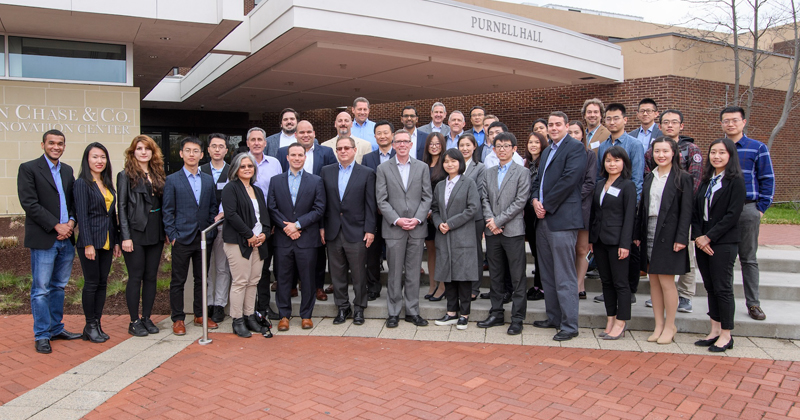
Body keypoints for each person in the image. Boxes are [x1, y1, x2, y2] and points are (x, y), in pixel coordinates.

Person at [18, 130, 81, 354]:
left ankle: (56, 328)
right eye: (51, 143)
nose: (56, 147)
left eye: (60, 143)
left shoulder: (67, 170)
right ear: (43, 144)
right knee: (41, 289)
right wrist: (57, 225)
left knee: (59, 287)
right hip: (45, 237)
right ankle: (42, 334)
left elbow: (74, 200)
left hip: (66, 239)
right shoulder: (29, 168)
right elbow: (30, 203)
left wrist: (71, 222)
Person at [531, 111, 588, 341]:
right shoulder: (546, 151)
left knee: (564, 275)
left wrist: (546, 204)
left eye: (557, 124)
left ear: (566, 126)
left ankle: (569, 325)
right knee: (547, 273)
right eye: (550, 125)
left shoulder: (575, 148)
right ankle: (554, 317)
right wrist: (535, 200)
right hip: (542, 219)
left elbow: (570, 180)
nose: (553, 128)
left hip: (562, 219)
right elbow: (537, 181)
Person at [634, 137, 693, 344]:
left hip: (670, 233)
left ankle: (670, 325)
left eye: (665, 151)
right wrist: (637, 235)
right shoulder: (650, 177)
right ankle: (658, 325)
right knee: (654, 281)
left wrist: (681, 237)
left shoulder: (682, 177)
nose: (661, 155)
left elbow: (686, 211)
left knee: (667, 281)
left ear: (674, 153)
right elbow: (642, 208)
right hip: (650, 230)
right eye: (657, 151)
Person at [643, 109, 703, 313]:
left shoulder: (691, 149)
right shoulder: (652, 151)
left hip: (678, 214)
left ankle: (685, 295)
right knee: (656, 265)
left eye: (674, 122)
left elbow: (694, 183)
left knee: (686, 257)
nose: (670, 125)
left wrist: (677, 204)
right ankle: (659, 298)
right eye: (665, 122)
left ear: (681, 125)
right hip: (654, 217)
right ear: (659, 125)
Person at [720, 106, 774, 321]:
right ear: (722, 124)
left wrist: (760, 209)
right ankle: (725, 303)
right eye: (726, 121)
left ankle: (753, 304)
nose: (730, 124)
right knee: (725, 259)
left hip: (747, 208)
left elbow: (767, 179)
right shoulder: (718, 147)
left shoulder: (756, 147)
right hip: (722, 211)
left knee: (748, 258)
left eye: (734, 120)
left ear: (743, 122)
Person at [692, 138, 746, 352]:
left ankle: (726, 334)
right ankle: (714, 330)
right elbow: (696, 212)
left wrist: (709, 237)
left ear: (730, 156)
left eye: (722, 153)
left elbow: (733, 215)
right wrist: (698, 236)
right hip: (702, 241)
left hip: (723, 242)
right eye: (713, 152)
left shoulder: (736, 181)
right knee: (710, 287)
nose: (716, 156)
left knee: (723, 288)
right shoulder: (707, 180)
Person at [375, 129, 432, 328]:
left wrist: (417, 219)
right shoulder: (383, 168)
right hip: (394, 229)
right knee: (394, 272)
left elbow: (427, 197)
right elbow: (381, 200)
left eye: (405, 141)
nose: (401, 145)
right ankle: (393, 312)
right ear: (393, 144)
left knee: (414, 271)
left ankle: (412, 311)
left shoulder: (422, 167)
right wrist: (398, 220)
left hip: (416, 228)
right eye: (397, 141)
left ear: (410, 144)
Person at [163, 137, 219, 335]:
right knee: (177, 280)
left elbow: (213, 206)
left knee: (201, 279)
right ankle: (178, 318)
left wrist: (209, 231)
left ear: (202, 155)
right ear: (181, 153)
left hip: (203, 237)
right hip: (182, 238)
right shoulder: (172, 180)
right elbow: (167, 210)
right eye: (188, 150)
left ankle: (200, 314)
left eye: (196, 151)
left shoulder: (207, 179)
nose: (192, 154)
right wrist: (173, 235)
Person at [268, 143, 326, 331]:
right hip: (283, 239)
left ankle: (306, 315)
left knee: (308, 279)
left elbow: (319, 208)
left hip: (306, 238)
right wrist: (287, 228)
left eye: (300, 155)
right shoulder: (275, 180)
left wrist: (298, 225)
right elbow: (272, 207)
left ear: (305, 157)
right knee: (283, 278)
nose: (297, 158)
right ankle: (284, 315)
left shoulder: (316, 180)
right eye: (293, 155)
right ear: (287, 157)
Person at [477, 132, 531, 335]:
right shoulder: (488, 172)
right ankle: (496, 313)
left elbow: (520, 201)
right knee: (496, 275)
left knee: (517, 277)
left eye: (506, 146)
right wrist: (492, 222)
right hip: (492, 233)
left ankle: (517, 318)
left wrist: (498, 221)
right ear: (493, 149)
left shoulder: (522, 172)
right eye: (498, 146)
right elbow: (484, 199)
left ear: (514, 149)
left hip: (513, 231)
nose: (502, 149)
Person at [277, 121, 337, 301]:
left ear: (314, 133)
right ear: (295, 134)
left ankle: (317, 286)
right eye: (301, 132)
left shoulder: (326, 152)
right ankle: (293, 285)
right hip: (290, 211)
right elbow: (280, 183)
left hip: (316, 209)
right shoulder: (282, 153)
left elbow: (331, 181)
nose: (305, 135)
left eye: (309, 132)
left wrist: (322, 222)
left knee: (317, 252)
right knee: (291, 250)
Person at [320, 137, 376, 325]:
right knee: (337, 273)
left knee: (359, 273)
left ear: (354, 150)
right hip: (333, 231)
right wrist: (321, 226)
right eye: (339, 148)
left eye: (347, 148)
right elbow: (322, 203)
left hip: (357, 231)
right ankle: (342, 308)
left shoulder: (367, 173)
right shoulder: (326, 172)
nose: (343, 151)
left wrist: (370, 229)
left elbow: (370, 205)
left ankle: (359, 308)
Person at [594, 103, 644, 305]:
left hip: (627, 204)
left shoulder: (634, 144)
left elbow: (637, 179)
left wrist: (632, 207)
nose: (612, 122)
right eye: (609, 119)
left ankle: (629, 290)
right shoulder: (602, 146)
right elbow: (600, 176)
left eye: (616, 118)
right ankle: (612, 293)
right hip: (607, 207)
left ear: (625, 120)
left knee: (628, 250)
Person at [72, 143, 121, 343]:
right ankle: (90, 325)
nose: (99, 161)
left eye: (103, 157)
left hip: (108, 241)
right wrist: (88, 244)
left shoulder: (107, 183)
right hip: (90, 242)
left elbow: (112, 216)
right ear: (87, 160)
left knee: (102, 284)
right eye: (95, 157)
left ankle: (97, 324)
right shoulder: (82, 183)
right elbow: (82, 216)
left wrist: (116, 241)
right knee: (91, 284)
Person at [118, 135, 166, 337]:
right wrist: (125, 237)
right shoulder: (125, 175)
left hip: (156, 231)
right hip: (136, 232)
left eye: (147, 148)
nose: (143, 152)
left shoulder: (158, 174)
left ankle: (146, 317)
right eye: (139, 148)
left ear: (153, 152)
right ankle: (134, 321)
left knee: (150, 277)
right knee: (135, 277)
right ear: (133, 152)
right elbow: (121, 207)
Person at [221, 153, 271, 338]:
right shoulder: (230, 188)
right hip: (238, 241)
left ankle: (250, 317)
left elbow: (264, 215)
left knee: (253, 281)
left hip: (258, 242)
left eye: (250, 166)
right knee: (240, 281)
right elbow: (231, 214)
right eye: (243, 166)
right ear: (235, 169)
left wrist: (264, 233)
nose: (247, 169)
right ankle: (237, 320)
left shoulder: (256, 190)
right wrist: (249, 235)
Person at [589, 146, 636, 340]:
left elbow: (629, 217)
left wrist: (625, 244)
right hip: (600, 241)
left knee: (620, 283)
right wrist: (592, 240)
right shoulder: (599, 185)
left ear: (623, 162)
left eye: (616, 160)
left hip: (618, 242)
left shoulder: (627, 186)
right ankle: (610, 318)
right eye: (608, 160)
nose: (612, 164)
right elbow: (595, 215)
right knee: (606, 282)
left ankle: (621, 322)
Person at [432, 149, 481, 330]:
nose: (449, 164)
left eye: (453, 161)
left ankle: (465, 314)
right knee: (448, 275)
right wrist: (439, 224)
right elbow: (435, 209)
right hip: (444, 236)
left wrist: (450, 223)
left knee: (463, 276)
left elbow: (472, 208)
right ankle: (451, 312)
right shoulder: (439, 186)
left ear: (460, 163)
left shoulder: (468, 183)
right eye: (446, 161)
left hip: (462, 235)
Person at [246, 127, 283, 322]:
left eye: (260, 139)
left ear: (265, 143)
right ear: (248, 143)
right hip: (247, 225)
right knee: (251, 269)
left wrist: (276, 221)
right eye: (253, 140)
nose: (257, 143)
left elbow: (280, 192)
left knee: (265, 267)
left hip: (270, 223)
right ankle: (248, 309)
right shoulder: (241, 163)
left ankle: (264, 307)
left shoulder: (275, 163)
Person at [362, 120, 395, 300]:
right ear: (375, 137)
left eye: (386, 132)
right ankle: (373, 288)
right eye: (379, 133)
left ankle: (394, 288)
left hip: (395, 215)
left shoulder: (400, 155)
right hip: (374, 213)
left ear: (392, 135)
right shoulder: (368, 158)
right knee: (372, 254)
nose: (382, 136)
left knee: (393, 254)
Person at [200, 133, 231, 324]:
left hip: (224, 226)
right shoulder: (200, 170)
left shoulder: (232, 170)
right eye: (214, 146)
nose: (217, 149)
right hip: (204, 226)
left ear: (226, 150)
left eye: (221, 146)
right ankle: (208, 303)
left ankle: (220, 304)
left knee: (222, 267)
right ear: (208, 150)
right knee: (206, 266)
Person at [568, 120, 597, 300]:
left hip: (582, 207)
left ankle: (580, 284)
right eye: (569, 132)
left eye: (576, 132)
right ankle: (569, 283)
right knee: (567, 249)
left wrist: (572, 198)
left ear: (582, 135)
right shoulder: (562, 154)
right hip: (564, 209)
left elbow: (590, 183)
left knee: (581, 249)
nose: (573, 136)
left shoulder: (589, 155)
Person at [457, 133, 486, 301]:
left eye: (468, 145)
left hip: (474, 217)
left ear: (474, 146)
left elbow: (479, 193)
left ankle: (474, 287)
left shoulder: (480, 167)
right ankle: (460, 286)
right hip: (456, 219)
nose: (465, 148)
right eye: (462, 145)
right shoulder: (453, 165)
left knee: (474, 252)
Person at [522, 132, 548, 301]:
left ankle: (544, 287)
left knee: (542, 251)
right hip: (528, 212)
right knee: (535, 250)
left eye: (537, 142)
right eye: (530, 142)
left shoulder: (544, 163)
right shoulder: (526, 164)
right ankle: (537, 285)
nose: (533, 145)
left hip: (540, 210)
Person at [423, 132, 448, 301]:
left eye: (437, 143)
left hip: (439, 214)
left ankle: (443, 286)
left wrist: (434, 210)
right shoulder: (422, 164)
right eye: (431, 143)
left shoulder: (446, 164)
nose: (434, 146)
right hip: (424, 215)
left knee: (441, 251)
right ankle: (432, 284)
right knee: (430, 250)